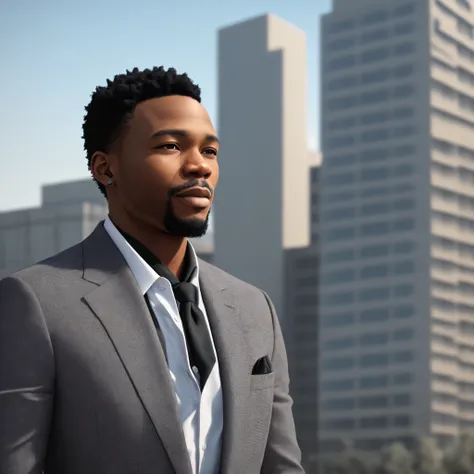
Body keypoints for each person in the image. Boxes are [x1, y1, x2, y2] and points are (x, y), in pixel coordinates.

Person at [0, 66, 304, 474]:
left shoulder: (254, 309)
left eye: (210, 151)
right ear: (105, 169)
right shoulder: (35, 301)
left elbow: (281, 465)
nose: (199, 166)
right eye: (170, 147)